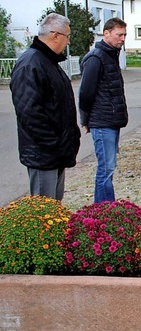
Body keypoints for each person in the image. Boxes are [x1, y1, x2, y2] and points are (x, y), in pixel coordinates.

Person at [10, 13, 81, 200]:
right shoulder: (31, 63)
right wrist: (54, 144)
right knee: (44, 211)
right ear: (55, 35)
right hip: (43, 155)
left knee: (54, 210)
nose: (68, 42)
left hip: (55, 152)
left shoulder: (49, 61)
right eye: (67, 36)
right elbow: (30, 114)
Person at [78, 18, 129, 203]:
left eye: (124, 35)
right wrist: (85, 120)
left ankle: (107, 208)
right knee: (106, 169)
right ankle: (103, 210)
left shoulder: (111, 55)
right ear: (106, 33)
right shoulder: (96, 57)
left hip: (111, 121)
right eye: (119, 34)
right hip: (102, 121)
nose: (122, 39)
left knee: (109, 168)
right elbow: (85, 92)